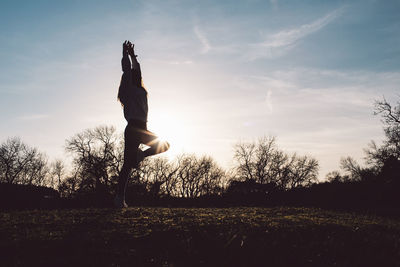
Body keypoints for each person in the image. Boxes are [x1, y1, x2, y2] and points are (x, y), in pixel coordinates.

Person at [115, 40, 170, 208]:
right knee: (164, 144)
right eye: (134, 75)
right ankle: (119, 199)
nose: (138, 75)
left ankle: (119, 199)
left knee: (128, 165)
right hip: (135, 128)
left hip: (137, 128)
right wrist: (125, 55)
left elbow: (137, 68)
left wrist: (133, 55)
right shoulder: (130, 90)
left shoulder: (141, 89)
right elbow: (127, 69)